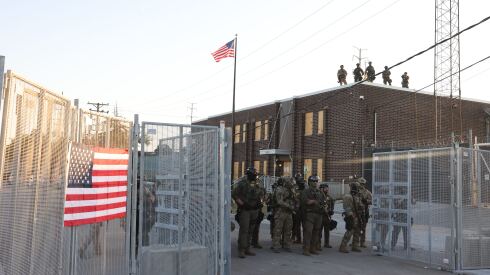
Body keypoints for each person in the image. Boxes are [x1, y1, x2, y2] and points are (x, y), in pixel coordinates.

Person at [232, 167, 265, 258]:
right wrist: (241, 204)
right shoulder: (242, 183)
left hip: (255, 210)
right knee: (244, 230)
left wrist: (260, 202)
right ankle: (241, 250)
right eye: (253, 174)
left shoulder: (257, 184)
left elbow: (262, 194)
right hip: (245, 210)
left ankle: (247, 248)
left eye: (255, 174)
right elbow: (234, 194)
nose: (255, 176)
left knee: (251, 230)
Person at [300, 175, 324, 256]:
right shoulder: (305, 191)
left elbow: (323, 202)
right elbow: (305, 201)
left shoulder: (320, 192)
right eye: (314, 181)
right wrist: (313, 201)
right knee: (308, 232)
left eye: (316, 181)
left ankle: (312, 248)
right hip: (309, 214)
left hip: (319, 214)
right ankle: (306, 249)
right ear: (309, 182)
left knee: (316, 232)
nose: (316, 183)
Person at [271, 177, 296, 253]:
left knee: (288, 230)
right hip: (280, 212)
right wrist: (289, 206)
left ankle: (286, 245)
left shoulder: (291, 190)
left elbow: (293, 199)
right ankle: (276, 245)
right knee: (278, 229)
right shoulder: (279, 189)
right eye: (290, 182)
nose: (292, 184)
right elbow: (279, 201)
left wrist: (294, 205)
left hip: (289, 213)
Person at [339, 182, 363, 253]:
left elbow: (360, 205)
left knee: (357, 232)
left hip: (358, 215)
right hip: (351, 216)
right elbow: (347, 208)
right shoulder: (348, 196)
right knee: (350, 231)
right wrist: (351, 215)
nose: (359, 189)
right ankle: (343, 246)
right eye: (358, 187)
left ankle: (355, 246)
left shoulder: (357, 196)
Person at [319, 183, 335, 248]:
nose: (327, 189)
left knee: (327, 231)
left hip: (327, 216)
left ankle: (327, 243)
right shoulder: (319, 196)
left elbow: (332, 205)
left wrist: (331, 211)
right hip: (320, 216)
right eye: (325, 188)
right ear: (321, 189)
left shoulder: (329, 197)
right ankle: (318, 244)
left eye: (327, 188)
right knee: (319, 231)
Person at [357, 177, 372, 248]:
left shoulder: (367, 192)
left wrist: (366, 201)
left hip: (364, 212)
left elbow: (372, 201)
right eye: (360, 184)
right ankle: (355, 241)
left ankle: (362, 242)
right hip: (357, 212)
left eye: (363, 184)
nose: (361, 185)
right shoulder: (355, 191)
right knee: (356, 227)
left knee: (363, 228)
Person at [292, 173, 306, 243]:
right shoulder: (294, 188)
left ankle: (300, 239)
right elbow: (293, 198)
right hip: (297, 209)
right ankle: (298, 238)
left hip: (302, 209)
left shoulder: (304, 188)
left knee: (301, 225)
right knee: (296, 225)